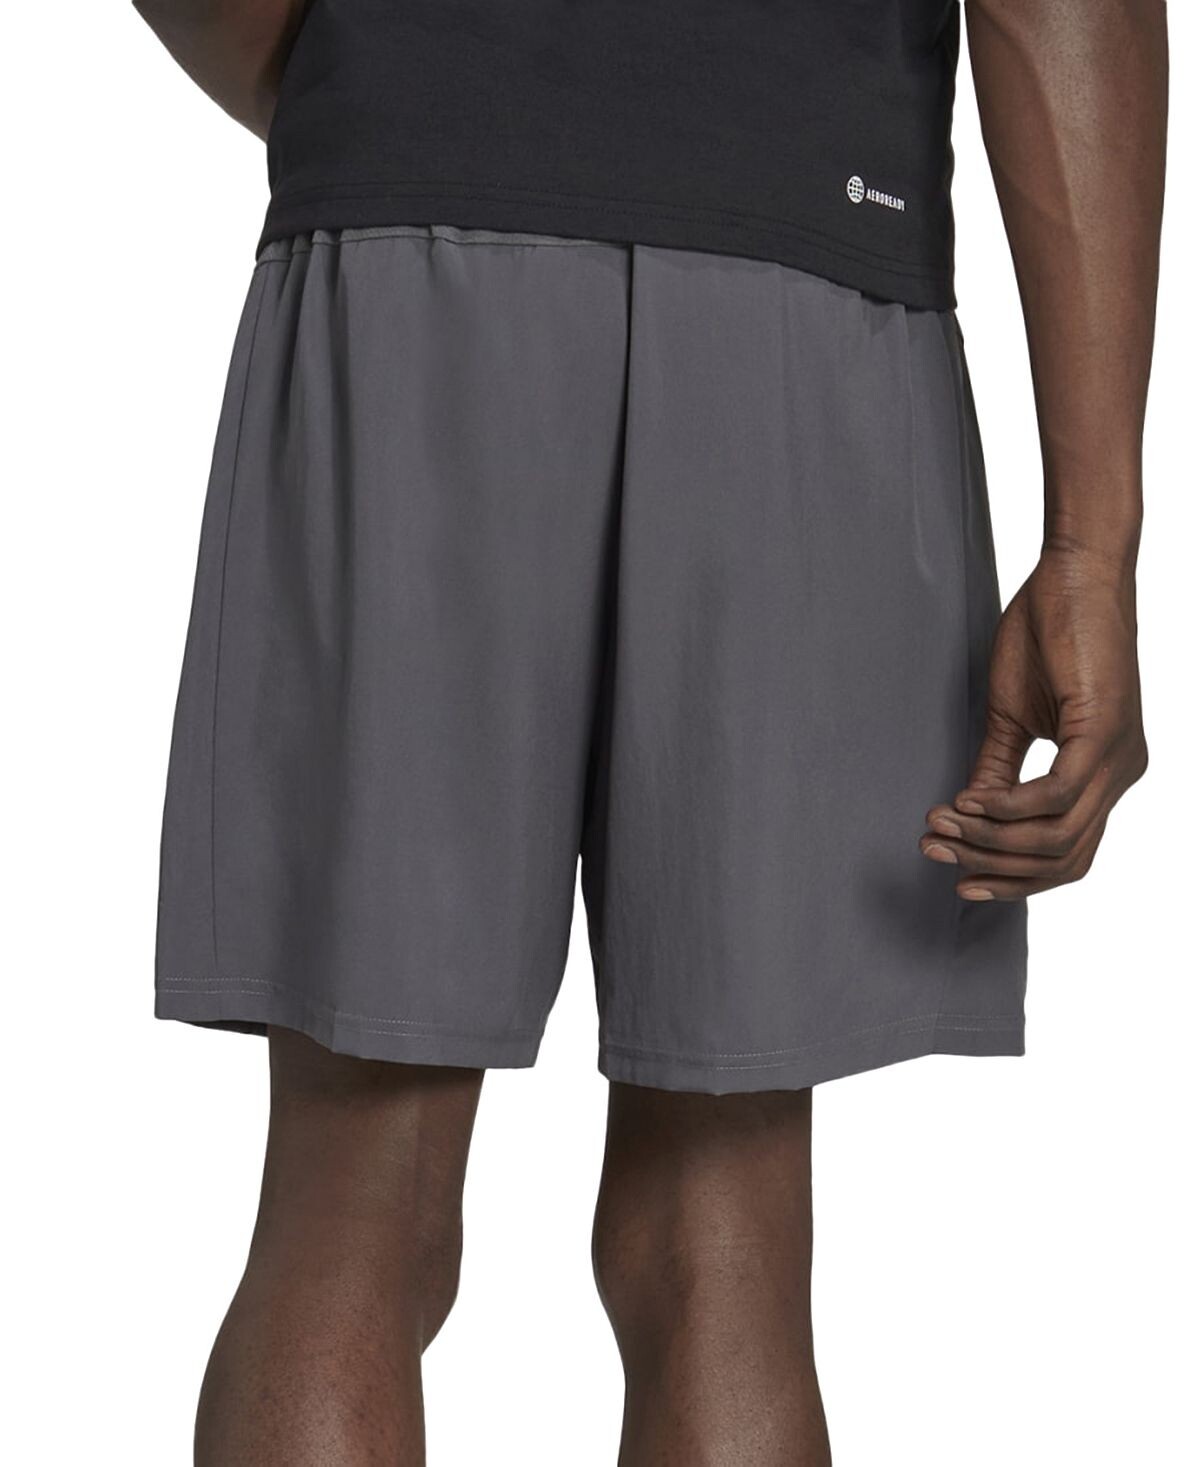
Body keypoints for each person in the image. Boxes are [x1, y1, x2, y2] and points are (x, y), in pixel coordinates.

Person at [134, 1, 1166, 1462]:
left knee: (351, 1206)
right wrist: (1092, 547)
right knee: (722, 1243)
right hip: (803, 251)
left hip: (415, 239)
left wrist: (384, 78)